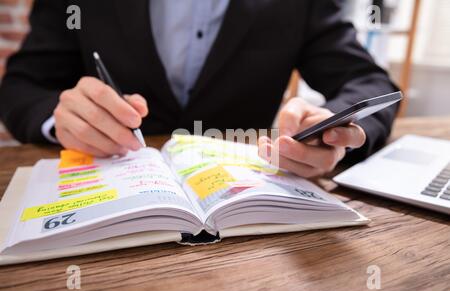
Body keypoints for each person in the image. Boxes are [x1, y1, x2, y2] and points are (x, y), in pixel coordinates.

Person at [0, 0, 398, 178]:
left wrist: (332, 129)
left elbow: (367, 81)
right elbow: (23, 85)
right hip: (108, 196)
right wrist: (59, 118)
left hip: (249, 221)